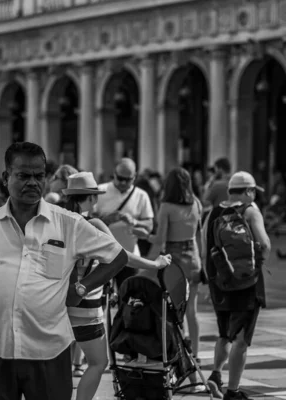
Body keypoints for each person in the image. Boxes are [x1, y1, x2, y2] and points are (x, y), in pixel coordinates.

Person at [0, 142, 129, 400]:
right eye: (23, 176)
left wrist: (81, 288)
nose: (32, 183)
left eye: (39, 176)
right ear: (6, 178)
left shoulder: (68, 223)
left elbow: (118, 256)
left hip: (49, 352)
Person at [62, 172, 172, 399]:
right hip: (86, 305)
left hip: (56, 303)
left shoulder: (57, 222)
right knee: (97, 362)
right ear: (92, 198)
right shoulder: (93, 224)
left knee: (60, 364)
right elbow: (122, 256)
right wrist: (155, 263)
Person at [202, 171, 271, 400]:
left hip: (219, 282)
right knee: (241, 340)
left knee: (224, 334)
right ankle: (233, 391)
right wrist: (254, 268)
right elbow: (265, 244)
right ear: (249, 191)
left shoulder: (213, 212)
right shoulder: (250, 211)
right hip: (246, 285)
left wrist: (211, 278)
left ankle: (215, 374)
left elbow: (205, 248)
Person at [134, 167, 205, 390]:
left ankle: (182, 360)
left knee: (175, 315)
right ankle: (196, 355)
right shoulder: (197, 203)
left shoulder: (166, 206)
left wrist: (142, 234)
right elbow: (200, 237)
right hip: (193, 260)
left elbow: (161, 241)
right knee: (191, 311)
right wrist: (202, 264)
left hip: (175, 264)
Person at [94, 158, 154, 290]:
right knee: (100, 300)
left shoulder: (141, 195)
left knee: (128, 300)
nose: (122, 182)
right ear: (114, 174)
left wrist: (135, 221)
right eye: (119, 178)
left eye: (127, 180)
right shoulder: (99, 191)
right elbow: (87, 221)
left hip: (130, 256)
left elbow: (150, 225)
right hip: (102, 256)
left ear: (134, 177)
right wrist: (106, 220)